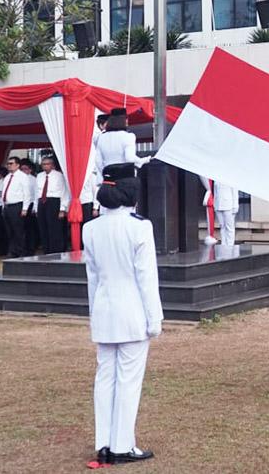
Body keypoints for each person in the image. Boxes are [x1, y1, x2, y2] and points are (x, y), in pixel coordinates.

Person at [83, 163, 162, 467]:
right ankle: (122, 445)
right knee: (128, 380)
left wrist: (94, 313)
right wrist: (154, 319)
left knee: (104, 378)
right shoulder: (140, 226)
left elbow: (93, 278)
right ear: (132, 195)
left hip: (104, 310)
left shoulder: (91, 228)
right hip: (132, 313)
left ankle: (104, 442)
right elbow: (146, 277)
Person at [94, 108, 151, 176]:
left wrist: (105, 173)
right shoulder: (129, 136)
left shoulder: (101, 138)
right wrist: (144, 160)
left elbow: (98, 161)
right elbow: (130, 158)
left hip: (107, 178)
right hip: (124, 177)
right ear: (124, 120)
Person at [34, 156, 69, 254]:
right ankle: (47, 249)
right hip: (42, 201)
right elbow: (36, 192)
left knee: (54, 227)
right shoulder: (40, 176)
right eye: (43, 164)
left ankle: (56, 250)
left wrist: (62, 208)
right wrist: (36, 207)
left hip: (54, 201)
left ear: (52, 165)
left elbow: (64, 192)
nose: (45, 166)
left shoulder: (59, 175)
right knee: (43, 226)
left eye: (47, 164)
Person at [1, 157, 32, 258]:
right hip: (7, 206)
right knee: (10, 230)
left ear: (17, 165)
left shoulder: (22, 176)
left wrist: (25, 208)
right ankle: (13, 250)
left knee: (18, 230)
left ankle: (21, 251)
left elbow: (26, 193)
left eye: (11, 163)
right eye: (8, 164)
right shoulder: (7, 177)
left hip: (17, 205)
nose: (9, 165)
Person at [200, 177, 239, 246]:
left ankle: (230, 244)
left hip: (228, 205)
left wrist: (235, 206)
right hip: (218, 205)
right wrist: (215, 205)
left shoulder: (231, 179)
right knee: (222, 226)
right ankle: (224, 243)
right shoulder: (217, 180)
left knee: (229, 227)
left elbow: (235, 193)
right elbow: (215, 194)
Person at [20, 159, 39, 255]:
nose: (23, 171)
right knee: (21, 228)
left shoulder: (33, 180)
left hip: (31, 204)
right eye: (21, 169)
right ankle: (23, 248)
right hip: (21, 204)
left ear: (30, 170)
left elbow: (36, 194)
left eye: (25, 169)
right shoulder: (19, 178)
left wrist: (34, 207)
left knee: (30, 229)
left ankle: (31, 248)